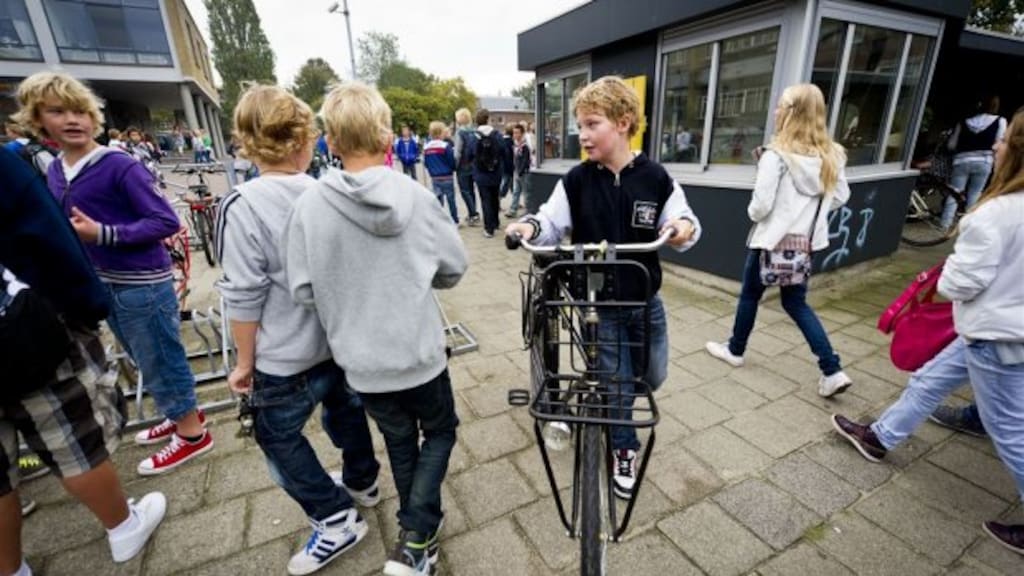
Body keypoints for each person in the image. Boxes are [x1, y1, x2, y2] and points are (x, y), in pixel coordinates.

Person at [285, 81, 468, 576]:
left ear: (331, 140)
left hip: (362, 363)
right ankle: (417, 535)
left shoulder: (308, 206)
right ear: (388, 136)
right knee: (442, 431)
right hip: (420, 353)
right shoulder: (418, 198)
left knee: (401, 442)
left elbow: (302, 290)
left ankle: (417, 539)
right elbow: (453, 269)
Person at [834, 106, 1024, 553]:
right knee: (929, 379)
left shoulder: (994, 216)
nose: (996, 144)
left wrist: (954, 267)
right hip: (997, 330)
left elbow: (960, 283)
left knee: (1012, 433)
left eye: (1005, 138)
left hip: (995, 336)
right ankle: (879, 437)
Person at [504, 75, 701, 500]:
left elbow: (684, 218)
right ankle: (623, 446)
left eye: (593, 124)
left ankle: (615, 409)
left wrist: (682, 228)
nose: (583, 134)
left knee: (651, 376)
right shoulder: (577, 179)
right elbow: (550, 219)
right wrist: (528, 226)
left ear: (624, 122)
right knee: (615, 382)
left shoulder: (655, 177)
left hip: (646, 300)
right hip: (600, 305)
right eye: (581, 124)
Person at [216, 84, 380, 576]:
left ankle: (334, 518)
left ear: (246, 142)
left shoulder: (242, 205)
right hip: (338, 345)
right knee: (347, 411)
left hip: (284, 357)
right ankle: (363, 481)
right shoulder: (332, 191)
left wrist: (243, 363)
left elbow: (243, 296)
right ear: (307, 139)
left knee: (277, 437)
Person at [15, 71, 213, 476]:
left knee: (161, 357)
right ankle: (182, 416)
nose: (73, 120)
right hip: (104, 282)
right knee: (144, 357)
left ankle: (193, 434)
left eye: (79, 111)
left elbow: (163, 220)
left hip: (141, 283)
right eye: (58, 111)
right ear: (38, 119)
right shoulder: (56, 170)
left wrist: (103, 233)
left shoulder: (118, 165)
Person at [0, 146, 167, 575]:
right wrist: (86, 307)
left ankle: (11, 568)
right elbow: (48, 235)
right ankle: (122, 526)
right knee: (69, 439)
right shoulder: (28, 168)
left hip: (23, 329)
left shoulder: (118, 165)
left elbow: (165, 219)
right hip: (22, 332)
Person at [705, 83, 853, 398]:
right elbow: (841, 196)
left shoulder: (777, 156)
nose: (775, 111)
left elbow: (760, 207)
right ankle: (832, 369)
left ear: (791, 113)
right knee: (796, 302)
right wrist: (813, 209)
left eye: (780, 106)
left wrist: (760, 210)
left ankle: (735, 349)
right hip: (803, 245)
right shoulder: (833, 156)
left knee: (749, 296)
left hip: (771, 242)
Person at [940, 95, 1007, 230]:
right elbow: (999, 142)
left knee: (955, 193)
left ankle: (945, 224)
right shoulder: (1000, 121)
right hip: (984, 161)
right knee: (975, 193)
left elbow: (951, 145)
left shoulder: (964, 122)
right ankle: (969, 225)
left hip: (961, 161)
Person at [468, 109, 505, 238]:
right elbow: (503, 150)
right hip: (496, 171)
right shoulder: (497, 134)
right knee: (495, 197)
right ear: (488, 119)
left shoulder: (474, 136)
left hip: (480, 173)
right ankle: (495, 222)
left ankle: (489, 229)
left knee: (485, 199)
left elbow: (469, 154)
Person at [423, 120, 459, 224]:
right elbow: (451, 161)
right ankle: (454, 220)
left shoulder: (427, 147)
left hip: (435, 178)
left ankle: (439, 220)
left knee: (438, 200)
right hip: (447, 177)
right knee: (451, 200)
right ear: (440, 133)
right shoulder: (445, 146)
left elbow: (426, 163)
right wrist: (453, 169)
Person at [453, 108, 480, 226]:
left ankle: (473, 214)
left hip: (463, 165)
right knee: (471, 190)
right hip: (473, 165)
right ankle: (473, 212)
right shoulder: (474, 131)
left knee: (465, 191)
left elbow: (457, 152)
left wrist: (455, 165)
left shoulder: (460, 132)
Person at [506, 123, 531, 218]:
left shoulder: (524, 146)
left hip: (524, 173)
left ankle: (528, 210)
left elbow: (525, 160)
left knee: (526, 192)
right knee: (516, 191)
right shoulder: (515, 145)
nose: (515, 135)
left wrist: (520, 171)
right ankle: (513, 209)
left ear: (522, 133)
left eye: (517, 133)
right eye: (514, 133)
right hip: (516, 172)